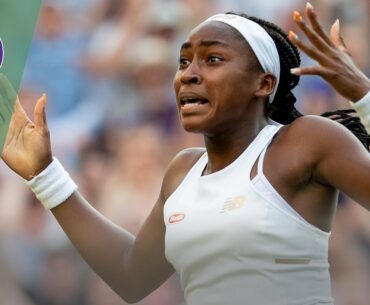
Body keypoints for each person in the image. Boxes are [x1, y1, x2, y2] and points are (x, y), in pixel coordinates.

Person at [1, 2, 370, 305]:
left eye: (212, 59)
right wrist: (44, 173)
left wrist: (363, 95)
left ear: (264, 83)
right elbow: (132, 277)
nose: (187, 75)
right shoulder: (182, 170)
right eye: (183, 61)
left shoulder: (305, 141)